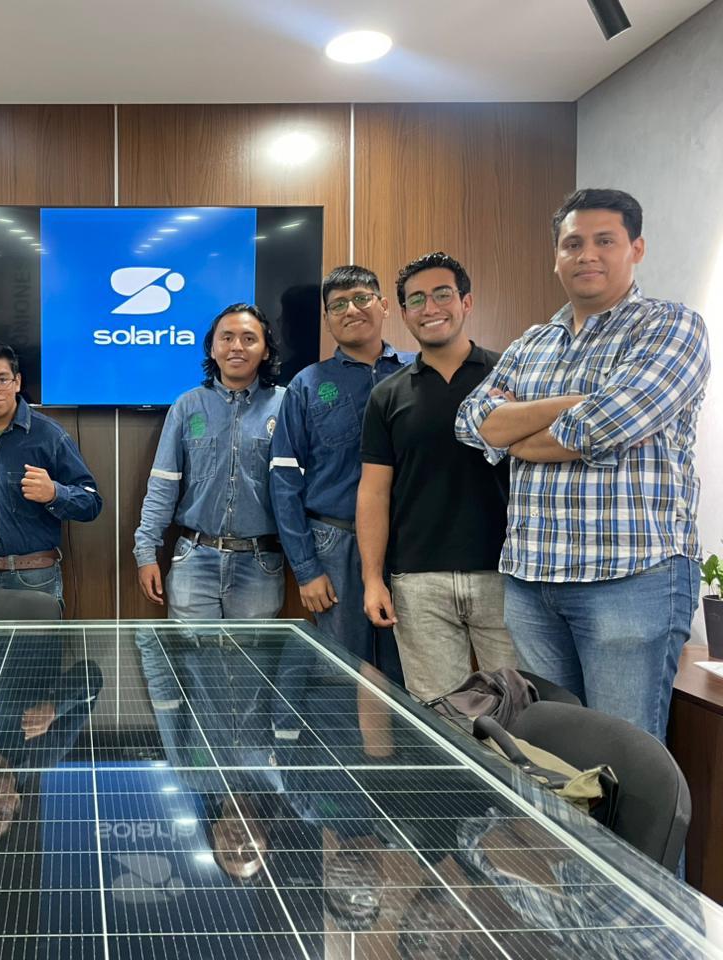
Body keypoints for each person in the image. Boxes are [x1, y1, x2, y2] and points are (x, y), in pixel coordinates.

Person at [456, 188, 709, 739]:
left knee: (623, 754)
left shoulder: (670, 326)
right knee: (553, 751)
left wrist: (517, 432)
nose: (586, 254)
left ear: (636, 248)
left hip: (630, 577)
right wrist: (573, 404)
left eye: (604, 241)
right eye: (573, 243)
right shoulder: (532, 343)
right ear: (556, 256)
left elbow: (605, 424)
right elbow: (473, 422)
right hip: (533, 577)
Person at [357, 253, 516, 701]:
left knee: (522, 712)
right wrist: (373, 579)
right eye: (417, 300)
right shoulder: (387, 395)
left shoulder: (508, 378)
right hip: (418, 581)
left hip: (507, 576)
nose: (430, 308)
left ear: (466, 302)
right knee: (441, 716)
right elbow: (374, 493)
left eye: (442, 294)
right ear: (404, 313)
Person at [270, 266, 413, 682]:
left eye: (361, 298)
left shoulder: (417, 372)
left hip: (410, 546)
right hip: (335, 545)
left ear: (384, 306)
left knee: (411, 671)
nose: (351, 310)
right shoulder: (307, 385)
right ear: (327, 320)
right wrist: (307, 568)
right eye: (338, 305)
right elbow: (284, 482)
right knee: (342, 675)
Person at [134, 303, 287, 619]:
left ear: (265, 351)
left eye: (249, 338)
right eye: (226, 338)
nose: (236, 347)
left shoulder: (285, 405)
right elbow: (163, 485)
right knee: (191, 651)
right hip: (195, 559)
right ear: (213, 349)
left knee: (252, 653)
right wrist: (146, 552)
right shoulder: (188, 406)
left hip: (260, 564)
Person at [0, 340, 102, 604]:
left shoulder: (49, 435)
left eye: (2, 379)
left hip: (33, 578)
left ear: (17, 382)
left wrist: (55, 493)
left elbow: (92, 502)